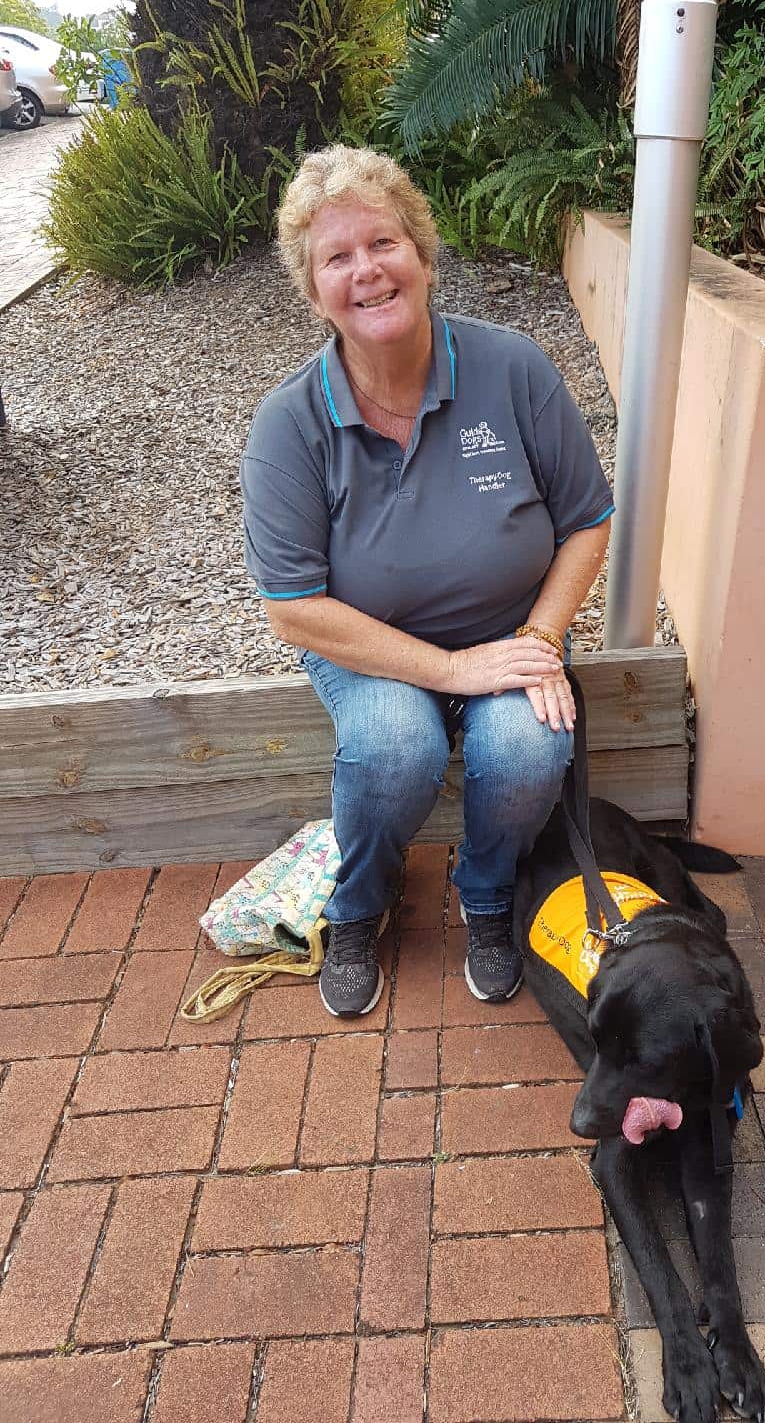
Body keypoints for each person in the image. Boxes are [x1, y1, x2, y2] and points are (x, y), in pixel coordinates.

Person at [240, 145, 613, 1017]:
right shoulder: (289, 424)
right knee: (394, 749)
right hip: (364, 646)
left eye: (383, 243)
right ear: (312, 287)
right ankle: (360, 905)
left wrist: (540, 638)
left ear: (422, 254)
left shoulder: (511, 368)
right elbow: (294, 610)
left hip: (507, 629)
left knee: (528, 748)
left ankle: (486, 896)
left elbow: (588, 520)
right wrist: (447, 673)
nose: (366, 271)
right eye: (337, 257)